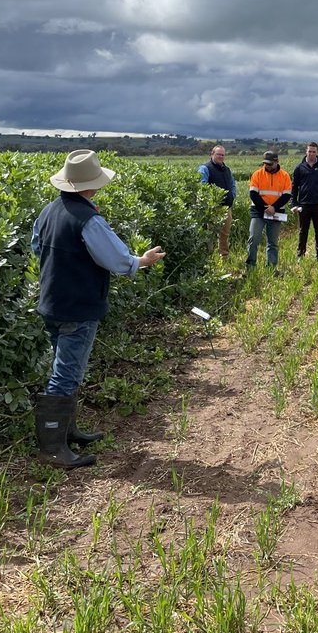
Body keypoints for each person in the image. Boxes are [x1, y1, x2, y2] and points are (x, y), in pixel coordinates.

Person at [31, 150, 166, 469]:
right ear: (90, 185)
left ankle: (67, 432)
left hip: (52, 302)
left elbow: (37, 245)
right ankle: (52, 448)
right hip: (78, 306)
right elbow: (116, 259)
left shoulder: (50, 211)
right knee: (66, 373)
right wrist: (142, 261)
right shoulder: (88, 219)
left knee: (65, 368)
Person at [246, 151, 291, 268]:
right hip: (258, 211)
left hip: (276, 212)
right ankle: (250, 266)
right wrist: (266, 208)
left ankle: (271, 267)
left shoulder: (285, 176)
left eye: (270, 164)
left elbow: (286, 195)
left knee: (273, 242)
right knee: (253, 239)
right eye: (265, 163)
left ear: (277, 162)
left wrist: (274, 207)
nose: (267, 166)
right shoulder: (257, 174)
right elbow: (253, 194)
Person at [292, 142, 318, 260]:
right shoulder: (299, 168)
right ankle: (300, 254)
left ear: (317, 152)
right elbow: (294, 187)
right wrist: (294, 203)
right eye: (309, 151)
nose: (311, 154)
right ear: (306, 152)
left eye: (314, 151)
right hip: (304, 205)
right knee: (303, 231)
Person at [198, 145, 237, 258]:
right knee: (211, 234)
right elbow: (202, 186)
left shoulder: (227, 169)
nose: (221, 156)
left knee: (224, 234)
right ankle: (209, 258)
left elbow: (233, 184)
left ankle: (224, 257)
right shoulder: (205, 168)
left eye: (222, 155)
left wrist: (232, 195)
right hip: (213, 208)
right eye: (218, 154)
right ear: (212, 154)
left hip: (227, 207)